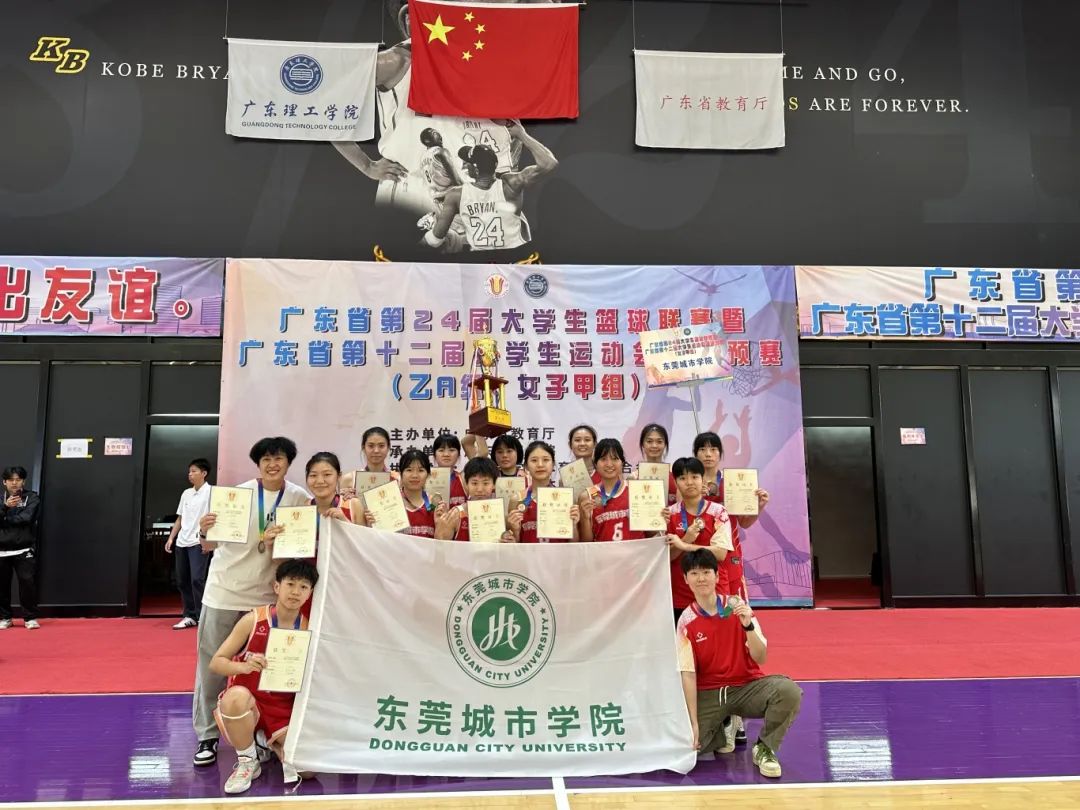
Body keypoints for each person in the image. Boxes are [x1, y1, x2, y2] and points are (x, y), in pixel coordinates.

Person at [191, 437, 310, 768]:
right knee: (212, 664)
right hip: (225, 592)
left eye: (279, 458)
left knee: (266, 669)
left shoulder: (299, 498)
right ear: (258, 464)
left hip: (267, 599)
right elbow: (208, 545)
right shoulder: (237, 495)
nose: (273, 464)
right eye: (266, 459)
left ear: (289, 463)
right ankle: (207, 735)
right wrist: (204, 531)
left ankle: (259, 731)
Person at [676, 548, 802, 778]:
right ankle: (723, 726)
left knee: (788, 691)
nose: (701, 578)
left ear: (717, 576)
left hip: (746, 687)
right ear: (685, 579)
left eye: (706, 572)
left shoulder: (735, 606)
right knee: (689, 747)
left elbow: (761, 657)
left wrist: (748, 626)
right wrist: (692, 723)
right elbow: (688, 673)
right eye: (694, 573)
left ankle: (765, 747)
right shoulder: (686, 620)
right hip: (711, 692)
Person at [210, 559, 319, 793]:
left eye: (303, 587)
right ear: (277, 586)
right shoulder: (254, 619)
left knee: (307, 770)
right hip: (249, 701)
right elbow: (216, 662)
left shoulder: (308, 628)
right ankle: (248, 761)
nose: (296, 592)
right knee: (235, 698)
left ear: (310, 593)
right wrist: (243, 667)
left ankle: (266, 742)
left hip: (282, 707)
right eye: (290, 584)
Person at [425, 120, 557, 252]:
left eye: (467, 162)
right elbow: (549, 163)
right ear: (495, 165)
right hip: (513, 256)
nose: (464, 164)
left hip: (480, 258)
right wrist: (522, 134)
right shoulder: (510, 185)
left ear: (475, 170)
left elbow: (434, 240)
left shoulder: (456, 195)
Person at [663, 458, 735, 626]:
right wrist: (686, 538)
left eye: (694, 477)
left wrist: (684, 545)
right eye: (682, 478)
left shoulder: (718, 511)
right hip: (680, 594)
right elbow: (667, 558)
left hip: (715, 592)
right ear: (675, 482)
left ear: (703, 479)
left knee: (719, 638)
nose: (689, 482)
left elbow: (720, 553)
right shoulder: (669, 514)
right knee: (683, 641)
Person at [164, 458, 213, 630]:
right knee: (182, 580)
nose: (190, 474)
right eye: (189, 471)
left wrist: (208, 540)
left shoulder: (211, 492)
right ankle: (189, 615)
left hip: (198, 541)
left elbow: (214, 519)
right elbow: (180, 518)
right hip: (182, 542)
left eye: (194, 471)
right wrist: (171, 538)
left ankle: (203, 616)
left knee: (197, 579)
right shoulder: (186, 493)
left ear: (204, 473)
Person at [511, 441, 579, 544]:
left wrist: (573, 526)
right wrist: (515, 531)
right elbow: (513, 544)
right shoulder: (517, 499)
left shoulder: (566, 498)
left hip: (560, 554)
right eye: (534, 460)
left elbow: (574, 544)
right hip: (528, 555)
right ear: (526, 466)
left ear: (553, 465)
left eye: (546, 460)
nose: (540, 465)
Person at [580, 439, 646, 542]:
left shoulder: (635, 489)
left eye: (614, 458)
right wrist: (584, 518)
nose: (609, 464)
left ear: (622, 462)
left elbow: (651, 533)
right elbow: (586, 543)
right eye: (603, 459)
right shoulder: (588, 495)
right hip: (603, 552)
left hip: (635, 552)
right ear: (595, 464)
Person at [0, 466, 40, 630]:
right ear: (5, 482)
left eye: (18, 479)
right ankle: (5, 617)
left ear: (23, 481)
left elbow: (27, 518)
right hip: (1, 550)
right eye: (11, 480)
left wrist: (4, 519)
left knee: (27, 583)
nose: (14, 483)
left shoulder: (32, 497)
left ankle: (30, 617)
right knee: (1, 586)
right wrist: (5, 507)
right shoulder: (1, 499)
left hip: (24, 549)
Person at [445, 457, 516, 542]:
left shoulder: (502, 516)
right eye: (474, 483)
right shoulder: (455, 515)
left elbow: (512, 545)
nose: (479, 489)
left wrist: (511, 543)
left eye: (485, 483)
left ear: (494, 484)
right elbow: (440, 547)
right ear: (467, 484)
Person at [396, 448, 454, 539]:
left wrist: (440, 525)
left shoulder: (435, 505)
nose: (415, 475)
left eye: (421, 470)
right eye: (409, 470)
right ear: (401, 474)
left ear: (428, 475)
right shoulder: (392, 504)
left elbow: (442, 544)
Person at [638, 423, 678, 505]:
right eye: (649, 441)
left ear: (665, 444)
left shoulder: (675, 473)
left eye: (659, 442)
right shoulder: (635, 477)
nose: (654, 445)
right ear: (642, 444)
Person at [432, 433, 467, 508]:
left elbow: (482, 453)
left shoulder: (463, 478)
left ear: (458, 455)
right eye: (441, 450)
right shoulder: (425, 480)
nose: (446, 454)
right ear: (434, 455)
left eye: (451, 450)